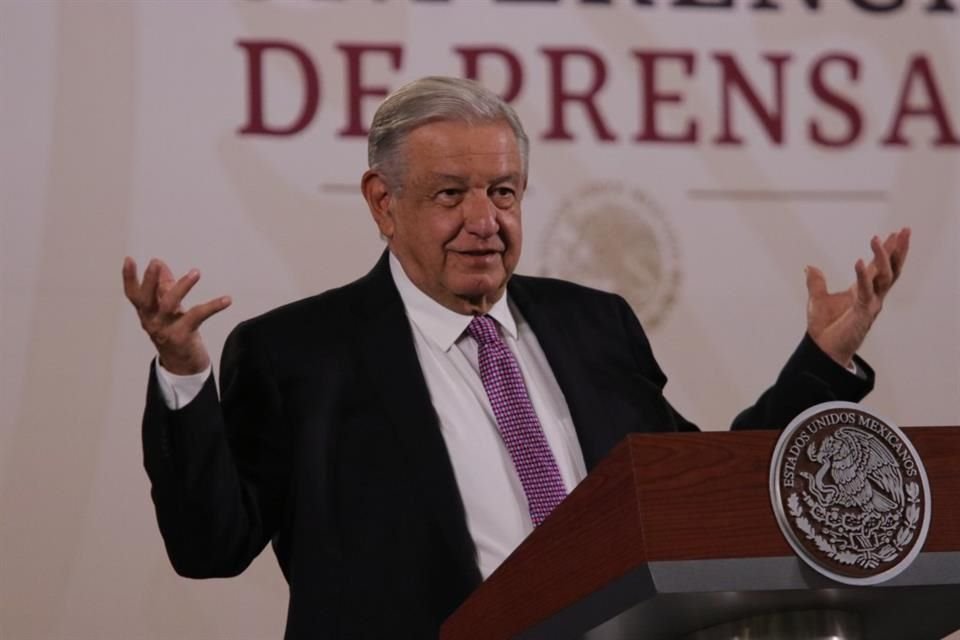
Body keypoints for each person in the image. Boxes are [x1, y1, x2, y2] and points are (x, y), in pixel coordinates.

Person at [122, 76, 909, 639]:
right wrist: (185, 375)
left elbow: (693, 498)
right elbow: (211, 546)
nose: (484, 220)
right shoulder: (298, 354)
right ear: (383, 203)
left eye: (503, 192)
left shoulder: (593, 324)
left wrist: (821, 361)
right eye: (450, 194)